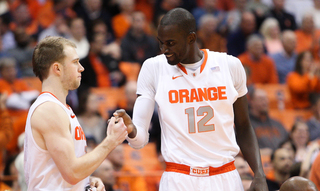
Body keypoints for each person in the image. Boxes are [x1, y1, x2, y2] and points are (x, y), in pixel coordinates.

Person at [114, 8, 268, 191]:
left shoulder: (230, 65)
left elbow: (243, 125)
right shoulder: (153, 68)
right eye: (161, 43)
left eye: (171, 43)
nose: (164, 50)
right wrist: (130, 129)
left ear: (191, 38)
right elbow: (139, 140)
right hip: (179, 177)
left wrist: (259, 173)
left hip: (225, 176)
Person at [24, 36, 128, 190]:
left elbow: (65, 169)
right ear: (57, 69)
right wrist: (111, 141)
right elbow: (72, 172)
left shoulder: (62, 108)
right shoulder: (49, 109)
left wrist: (87, 180)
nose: (81, 68)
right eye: (75, 62)